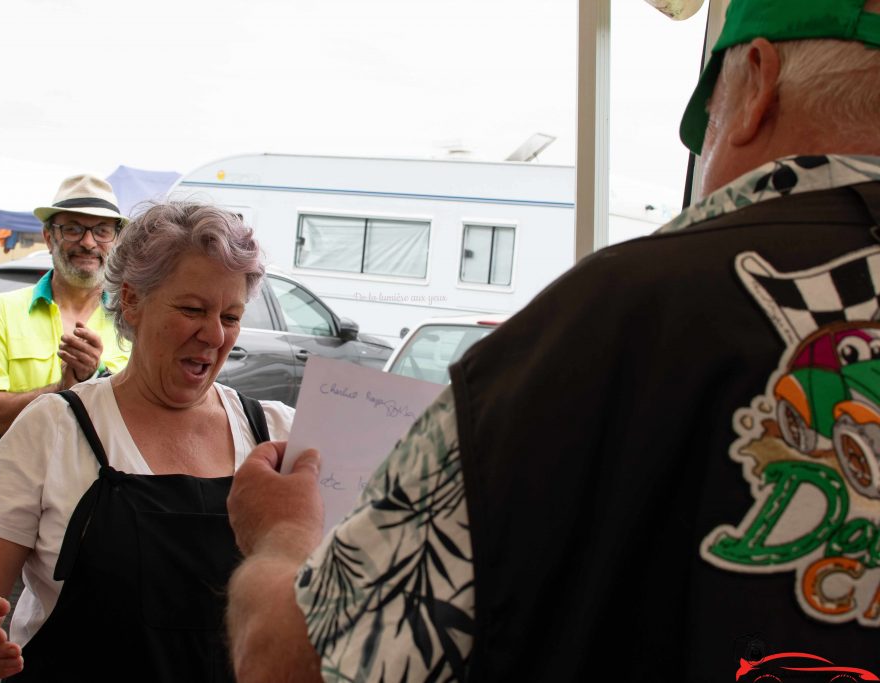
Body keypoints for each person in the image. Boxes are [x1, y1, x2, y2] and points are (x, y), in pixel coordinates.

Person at [225, 0, 880, 680]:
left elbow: (293, 662)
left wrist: (281, 538)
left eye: (707, 120)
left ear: (755, 82)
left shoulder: (612, 321)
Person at [0, 203, 294, 681]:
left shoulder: (276, 434)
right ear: (131, 301)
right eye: (192, 309)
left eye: (231, 315)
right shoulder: (57, 428)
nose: (214, 334)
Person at [0, 173, 132, 467]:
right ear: (49, 238)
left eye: (102, 231)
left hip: (101, 498)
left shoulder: (133, 323)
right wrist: (60, 390)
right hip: (12, 495)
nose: (88, 242)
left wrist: (95, 379)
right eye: (73, 229)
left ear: (115, 241)